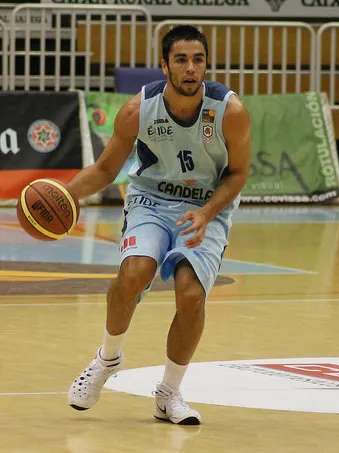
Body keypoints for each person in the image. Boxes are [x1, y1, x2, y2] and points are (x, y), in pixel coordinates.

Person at [66, 25, 251, 425]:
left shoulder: (229, 111)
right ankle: (107, 358)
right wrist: (66, 195)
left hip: (205, 206)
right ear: (164, 65)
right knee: (134, 273)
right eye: (181, 60)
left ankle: (168, 394)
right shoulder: (138, 109)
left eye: (198, 60)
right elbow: (105, 169)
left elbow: (238, 173)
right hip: (151, 199)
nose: (191, 68)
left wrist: (207, 213)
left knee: (190, 295)